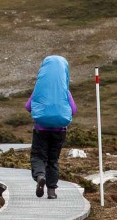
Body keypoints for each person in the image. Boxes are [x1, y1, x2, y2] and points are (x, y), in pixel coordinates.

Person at [26, 55, 77, 199]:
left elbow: (28, 106)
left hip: (41, 129)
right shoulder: (65, 91)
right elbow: (73, 110)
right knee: (53, 160)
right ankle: (52, 191)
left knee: (38, 156)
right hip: (59, 130)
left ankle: (40, 176)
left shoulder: (39, 89)